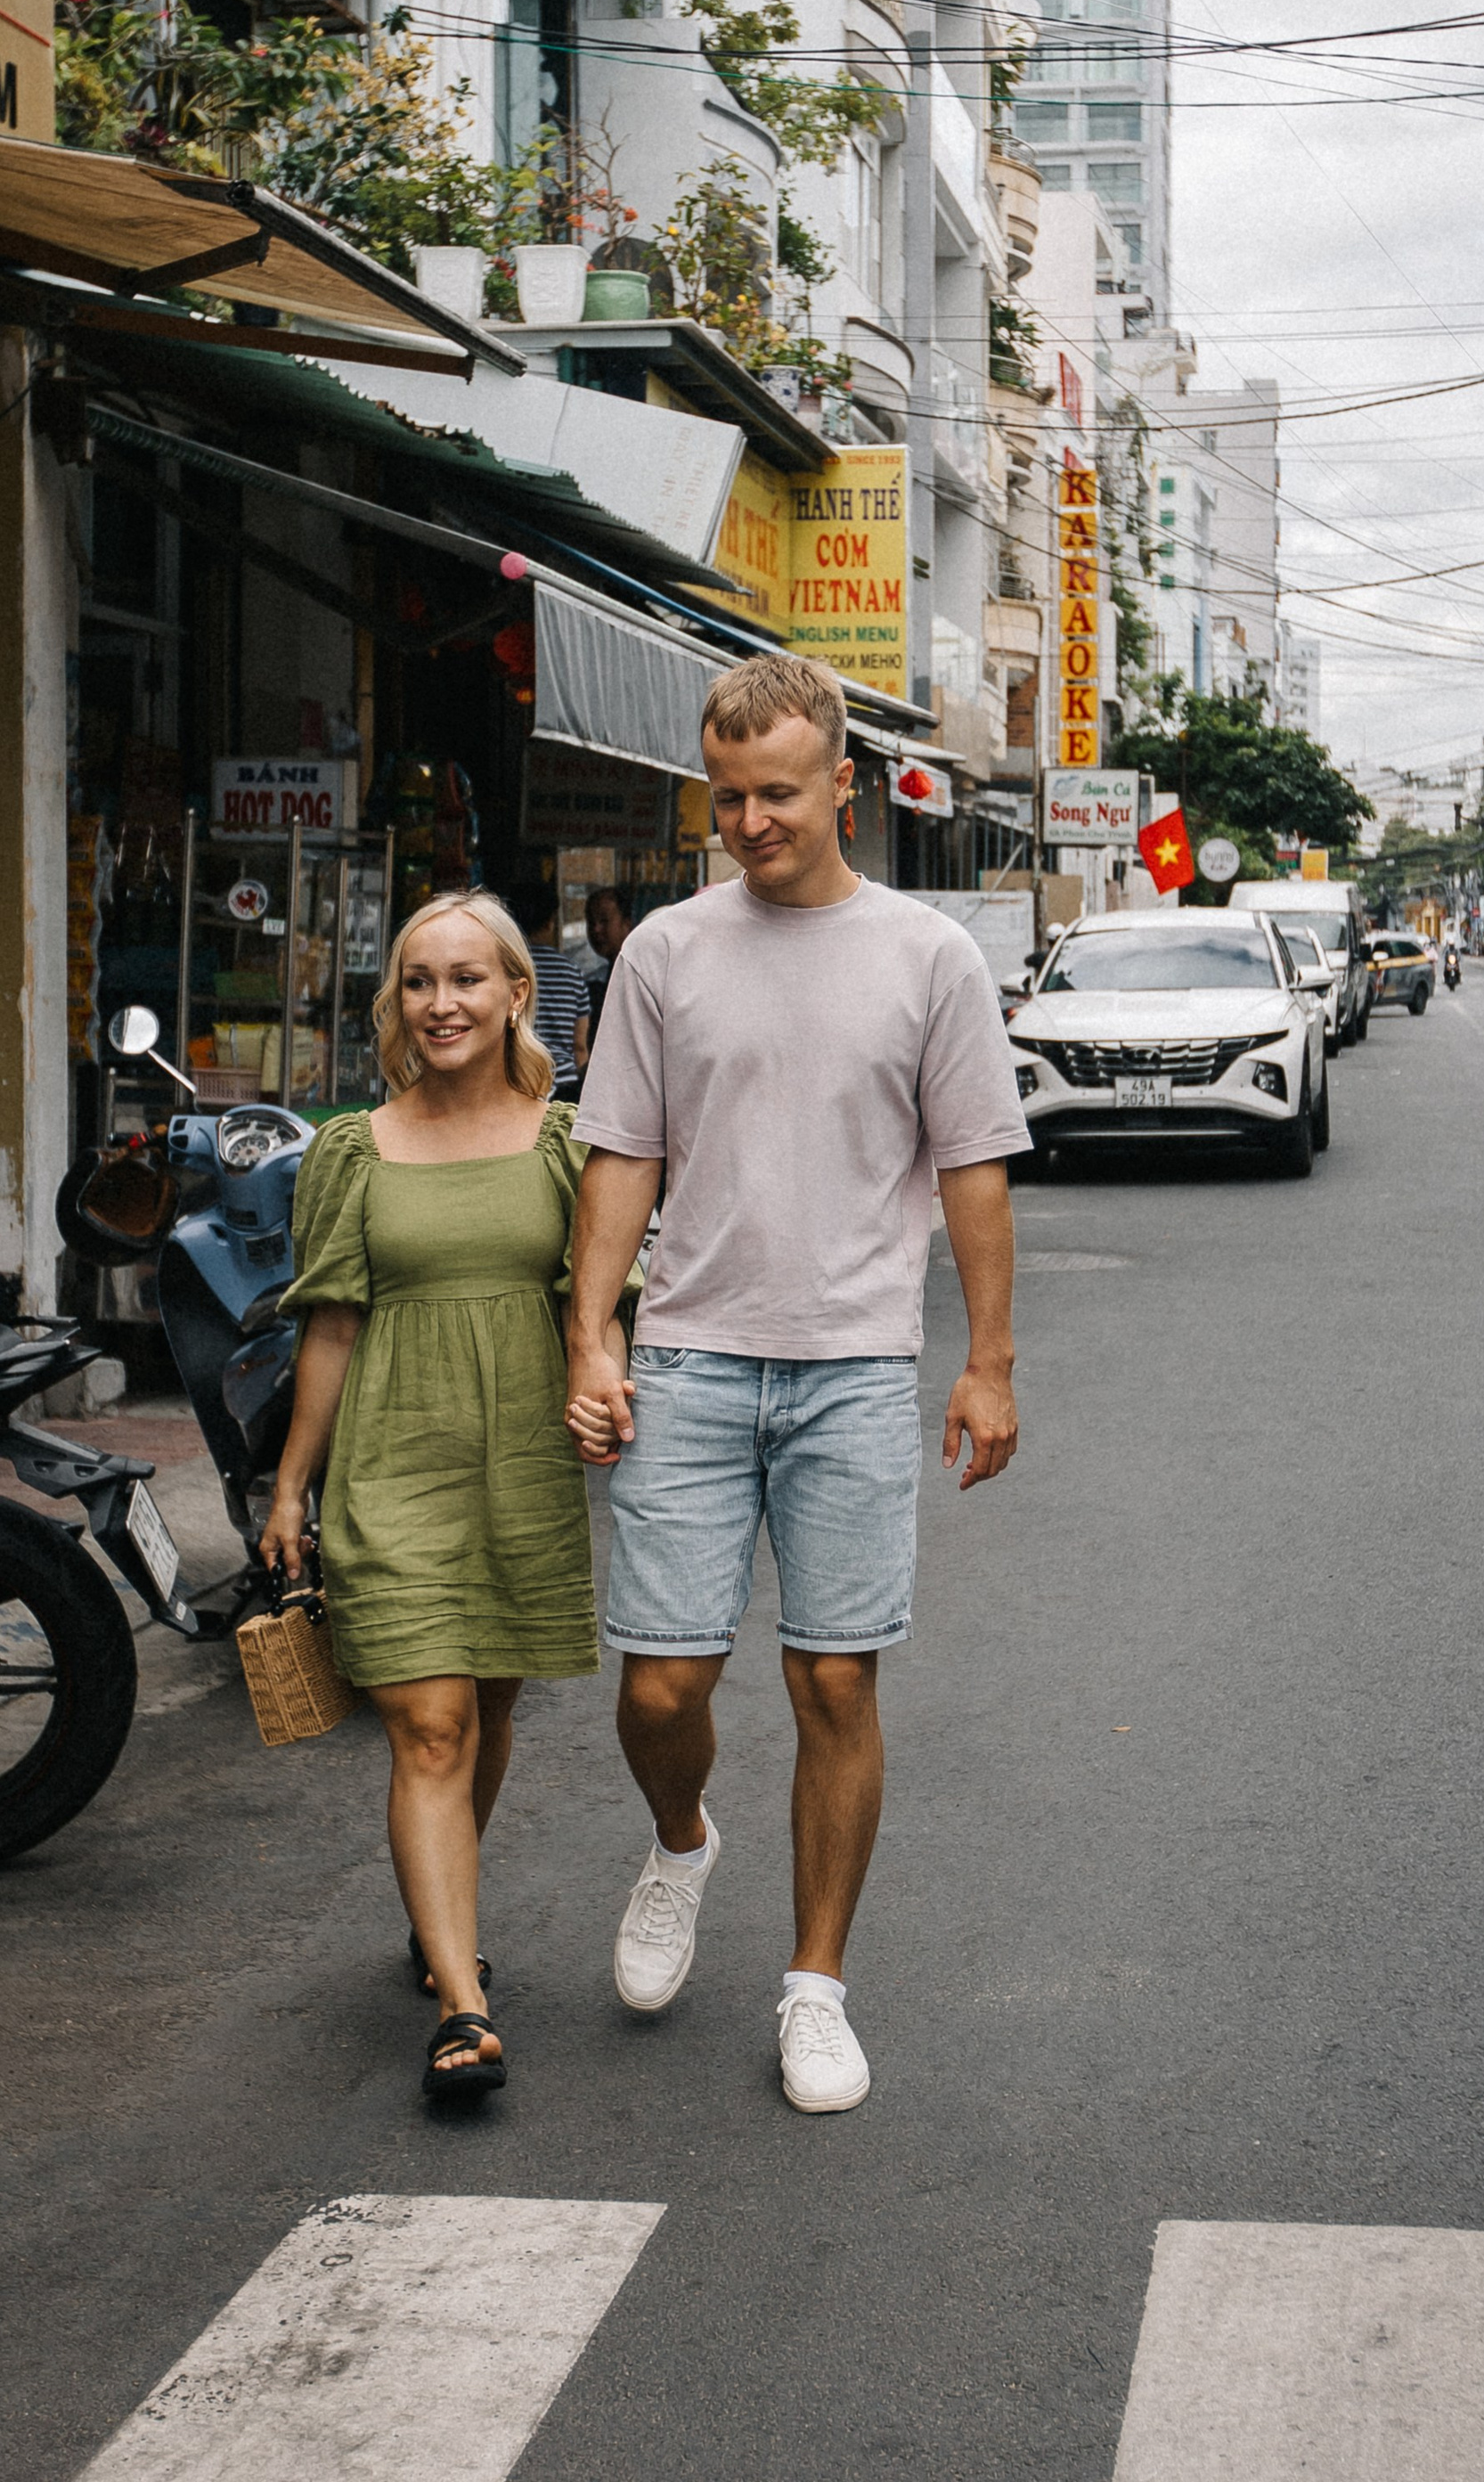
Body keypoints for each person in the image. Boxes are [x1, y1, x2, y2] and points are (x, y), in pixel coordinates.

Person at [561, 652, 1030, 2117]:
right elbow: (622, 1154)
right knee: (661, 1683)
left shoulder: (927, 958)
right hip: (692, 1358)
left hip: (853, 1369)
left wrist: (991, 1364)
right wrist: (593, 1331)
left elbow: (973, 1167)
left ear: (846, 783)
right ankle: (683, 1839)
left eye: (777, 792)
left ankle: (814, 1984)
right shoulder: (665, 953)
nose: (751, 821)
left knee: (835, 1673)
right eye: (728, 795)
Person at [260, 889, 605, 2102]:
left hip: (519, 1463)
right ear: (395, 1000)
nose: (442, 1003)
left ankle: (438, 1913)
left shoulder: (569, 1144)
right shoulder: (357, 1146)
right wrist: (291, 1486)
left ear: (517, 992)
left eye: (466, 978)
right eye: (419, 980)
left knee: (488, 1708)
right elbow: (333, 1325)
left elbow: (595, 1306)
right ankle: (463, 2003)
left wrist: (605, 1384)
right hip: (391, 1461)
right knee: (431, 1721)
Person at [510, 874, 591, 1094]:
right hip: (565, 1085)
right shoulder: (573, 973)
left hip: (519, 1079)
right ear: (550, 923)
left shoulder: (506, 970)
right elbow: (579, 1047)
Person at [577, 885, 633, 1063]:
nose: (596, 930)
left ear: (627, 923)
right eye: (591, 922)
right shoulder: (597, 978)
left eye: (604, 921)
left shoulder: (638, 973)